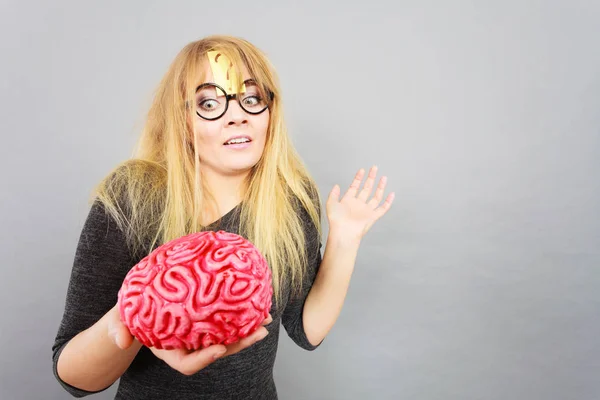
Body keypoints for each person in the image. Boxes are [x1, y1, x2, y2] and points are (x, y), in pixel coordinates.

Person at [51, 35, 395, 399]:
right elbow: (74, 377)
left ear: (270, 112)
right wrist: (136, 315)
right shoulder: (132, 198)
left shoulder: (290, 197)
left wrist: (345, 238)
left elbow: (305, 329)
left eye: (252, 98)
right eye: (210, 102)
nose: (238, 115)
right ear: (182, 119)